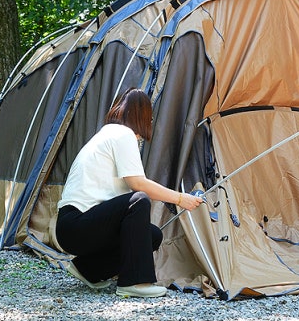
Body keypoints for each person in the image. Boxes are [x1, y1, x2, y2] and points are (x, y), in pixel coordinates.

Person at [55, 88, 204, 298]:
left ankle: (87, 270)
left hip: (71, 227)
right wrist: (181, 198)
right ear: (143, 116)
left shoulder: (107, 134)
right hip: (77, 224)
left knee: (152, 235)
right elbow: (138, 184)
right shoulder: (123, 134)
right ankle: (135, 282)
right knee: (138, 200)